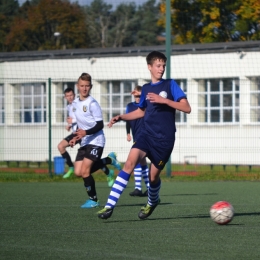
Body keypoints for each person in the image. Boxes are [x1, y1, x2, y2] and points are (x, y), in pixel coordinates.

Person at [97, 51, 191, 219]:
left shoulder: (170, 85)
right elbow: (141, 112)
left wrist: (165, 101)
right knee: (129, 164)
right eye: (158, 65)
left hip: (165, 140)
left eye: (163, 66)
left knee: (153, 177)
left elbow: (187, 108)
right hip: (146, 135)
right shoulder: (146, 88)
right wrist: (121, 117)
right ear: (149, 67)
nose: (161, 69)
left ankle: (152, 201)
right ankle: (109, 206)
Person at [69, 73, 121, 208]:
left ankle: (94, 200)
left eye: (87, 86)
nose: (84, 88)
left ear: (90, 87)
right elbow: (81, 124)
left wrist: (85, 132)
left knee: (85, 171)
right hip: (85, 141)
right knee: (78, 172)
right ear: (77, 86)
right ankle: (109, 160)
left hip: (96, 141)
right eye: (82, 86)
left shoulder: (92, 104)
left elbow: (99, 125)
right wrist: (75, 138)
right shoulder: (74, 104)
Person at [126, 86, 149, 197]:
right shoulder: (130, 106)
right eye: (136, 95)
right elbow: (127, 119)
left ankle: (139, 188)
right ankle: (146, 188)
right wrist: (128, 133)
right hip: (135, 135)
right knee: (141, 161)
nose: (138, 97)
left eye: (140, 95)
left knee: (137, 160)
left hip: (144, 135)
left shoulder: (145, 106)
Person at [57, 87, 78, 179]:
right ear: (65, 97)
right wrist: (70, 125)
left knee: (90, 159)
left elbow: (84, 118)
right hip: (75, 133)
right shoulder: (69, 107)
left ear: (74, 95)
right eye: (67, 96)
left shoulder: (79, 104)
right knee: (60, 146)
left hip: (83, 133)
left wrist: (72, 121)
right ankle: (71, 167)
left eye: (71, 95)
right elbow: (73, 119)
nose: (70, 97)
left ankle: (108, 170)